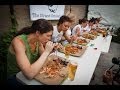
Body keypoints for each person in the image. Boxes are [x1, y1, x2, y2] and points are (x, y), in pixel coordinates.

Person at [7, 19, 58, 86]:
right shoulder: (18, 42)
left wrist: (52, 49)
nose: (49, 39)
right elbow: (29, 74)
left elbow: (45, 59)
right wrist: (46, 52)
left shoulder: (38, 41)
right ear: (37, 33)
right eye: (48, 35)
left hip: (33, 72)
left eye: (50, 36)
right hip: (16, 77)